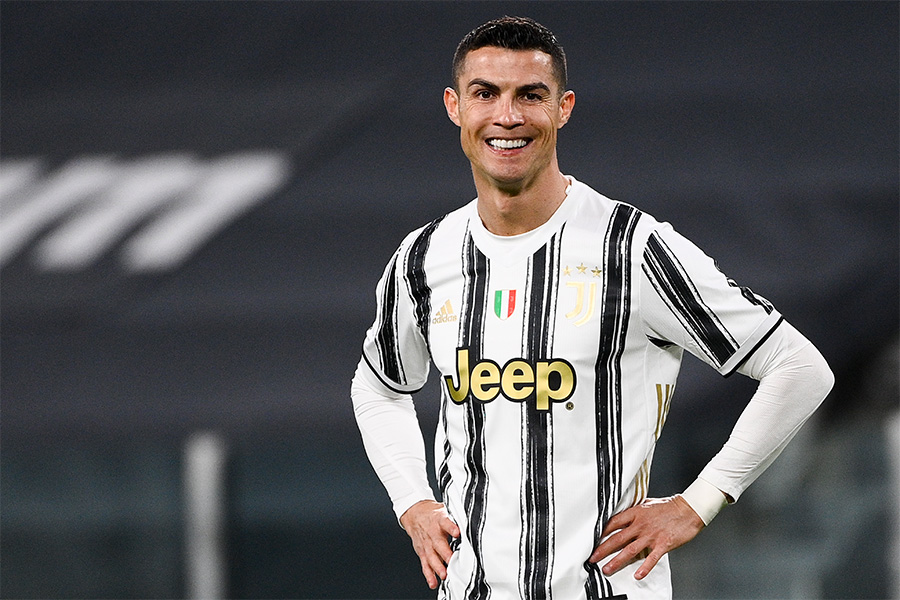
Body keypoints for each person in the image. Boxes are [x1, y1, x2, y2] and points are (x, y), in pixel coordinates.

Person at [350, 16, 833, 600]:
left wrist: (699, 502)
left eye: (531, 95)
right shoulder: (424, 257)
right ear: (455, 107)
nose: (508, 116)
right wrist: (412, 501)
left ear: (564, 108)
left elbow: (799, 367)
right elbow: (377, 387)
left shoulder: (631, 248)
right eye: (486, 94)